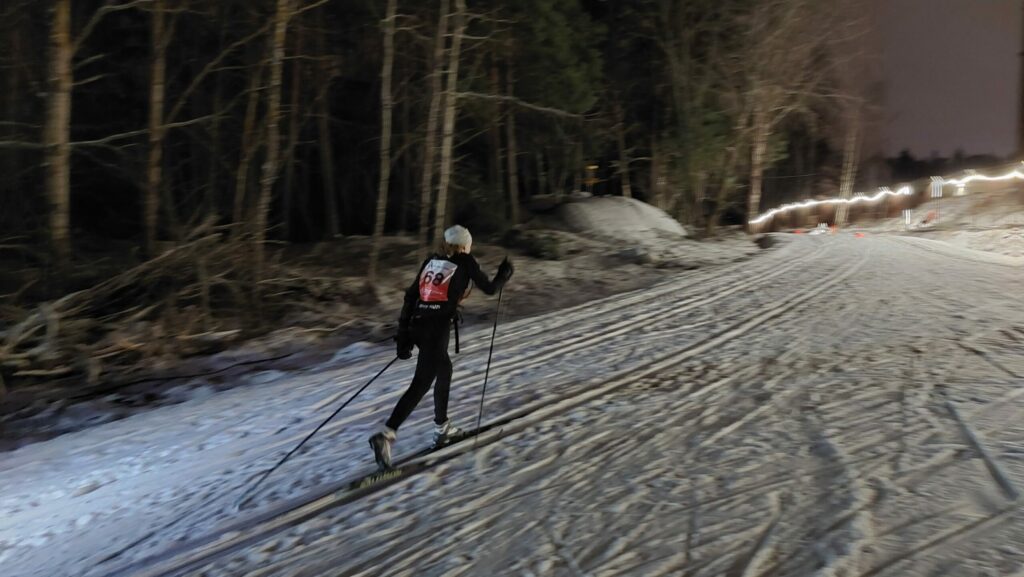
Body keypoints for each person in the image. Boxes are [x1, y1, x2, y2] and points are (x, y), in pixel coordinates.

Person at [369, 225, 513, 469]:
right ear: (465, 246)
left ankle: (442, 428)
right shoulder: (465, 261)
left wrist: (403, 336)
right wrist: (504, 275)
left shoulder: (431, 261)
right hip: (436, 330)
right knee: (421, 383)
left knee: (444, 370)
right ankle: (386, 433)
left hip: (418, 326)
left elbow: (410, 297)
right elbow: (489, 289)